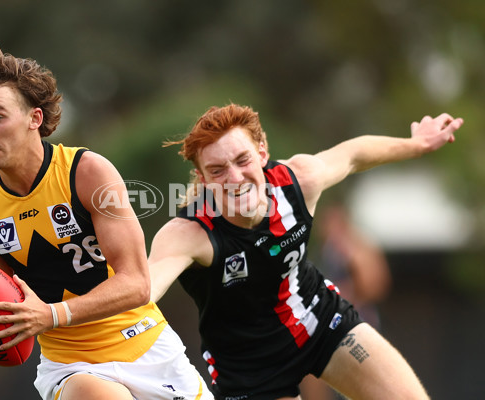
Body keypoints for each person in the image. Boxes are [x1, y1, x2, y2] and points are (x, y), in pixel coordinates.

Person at [0, 40, 212, 400]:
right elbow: (8, 304)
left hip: (146, 346)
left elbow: (136, 284)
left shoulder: (86, 173)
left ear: (34, 119)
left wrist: (52, 314)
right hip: (71, 368)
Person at [148, 103, 463, 400]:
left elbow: (354, 154)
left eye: (242, 160)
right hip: (249, 368)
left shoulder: (298, 181)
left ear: (262, 153)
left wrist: (416, 144)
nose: (234, 178)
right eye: (217, 170)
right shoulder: (189, 233)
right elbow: (143, 290)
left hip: (320, 321)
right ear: (202, 179)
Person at [299, 203, 392, 400]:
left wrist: (350, 274)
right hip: (326, 324)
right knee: (311, 371)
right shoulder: (323, 251)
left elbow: (375, 284)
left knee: (363, 384)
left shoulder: (354, 247)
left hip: (355, 324)